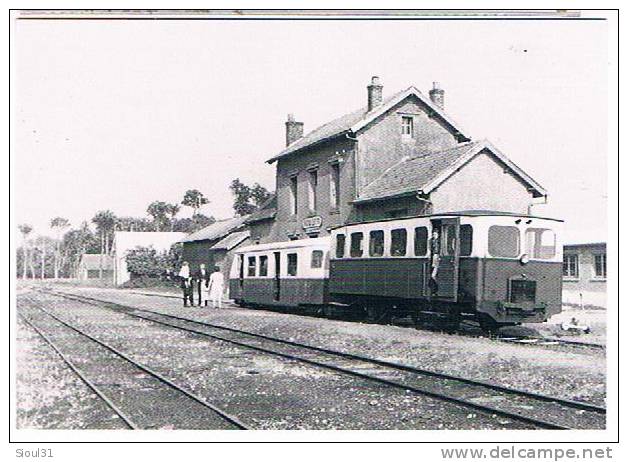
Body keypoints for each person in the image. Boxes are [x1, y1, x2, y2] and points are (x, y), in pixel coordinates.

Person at [429, 228, 440, 295]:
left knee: (433, 275)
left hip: (437, 257)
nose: (434, 235)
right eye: (433, 234)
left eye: (435, 234)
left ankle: (436, 289)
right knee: (433, 275)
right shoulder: (431, 241)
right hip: (434, 257)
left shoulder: (439, 241)